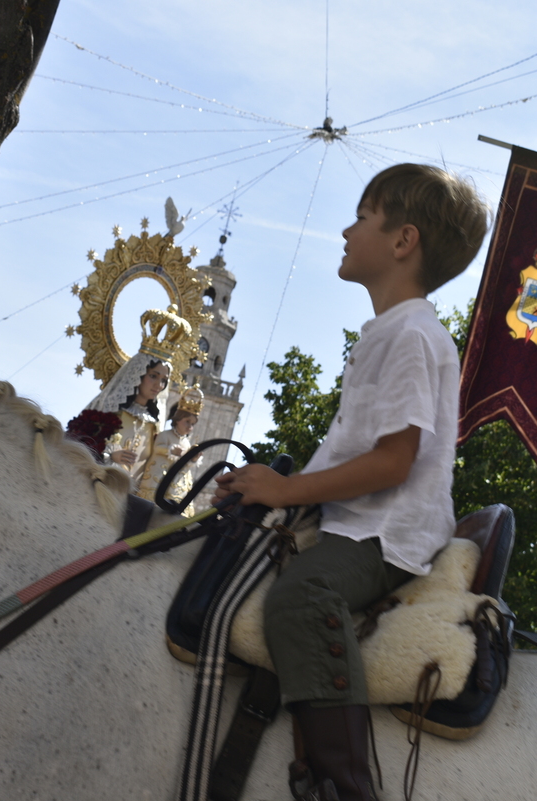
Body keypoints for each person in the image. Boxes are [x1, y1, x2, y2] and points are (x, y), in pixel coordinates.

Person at [214, 163, 489, 801]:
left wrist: (285, 494)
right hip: (358, 521)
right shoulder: (390, 332)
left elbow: (394, 461)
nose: (346, 228)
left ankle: (345, 785)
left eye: (362, 216)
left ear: (402, 241)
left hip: (383, 533)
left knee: (299, 599)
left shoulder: (412, 334)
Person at [86, 350, 172, 492]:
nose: (159, 385)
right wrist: (110, 456)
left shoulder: (154, 426)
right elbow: (84, 442)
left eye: (164, 380)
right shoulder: (111, 410)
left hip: (130, 498)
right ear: (138, 374)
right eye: (153, 376)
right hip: (97, 487)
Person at [138, 386, 204, 512]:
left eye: (193, 424)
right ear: (178, 420)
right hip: (157, 476)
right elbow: (157, 448)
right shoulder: (165, 435)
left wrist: (193, 459)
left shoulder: (186, 442)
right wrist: (170, 450)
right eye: (187, 422)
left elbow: (185, 463)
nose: (190, 427)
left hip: (176, 484)